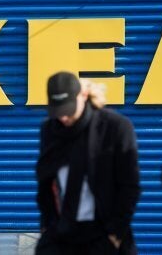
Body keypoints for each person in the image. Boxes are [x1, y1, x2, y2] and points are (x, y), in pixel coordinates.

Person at [35, 71, 140, 255]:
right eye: (58, 111)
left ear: (82, 96)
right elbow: (45, 182)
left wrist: (115, 235)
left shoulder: (115, 127)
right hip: (61, 235)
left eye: (68, 109)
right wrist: (47, 225)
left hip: (102, 235)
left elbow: (129, 186)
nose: (63, 118)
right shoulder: (50, 129)